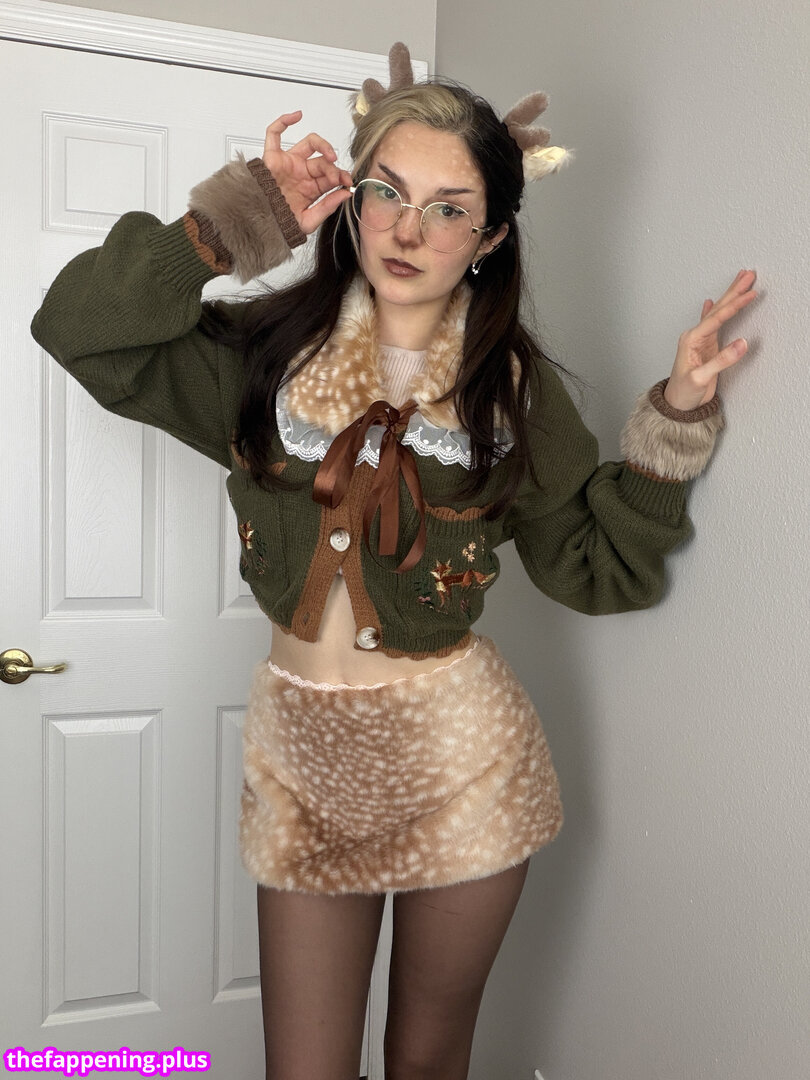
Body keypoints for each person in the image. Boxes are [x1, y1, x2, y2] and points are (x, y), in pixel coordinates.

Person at [31, 42, 757, 1080]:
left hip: (461, 763)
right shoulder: (263, 358)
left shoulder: (513, 393)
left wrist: (675, 421)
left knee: (425, 1062)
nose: (409, 230)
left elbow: (593, 568)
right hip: (304, 761)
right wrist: (230, 224)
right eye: (389, 192)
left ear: (490, 237)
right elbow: (78, 330)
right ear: (355, 199)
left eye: (449, 208)